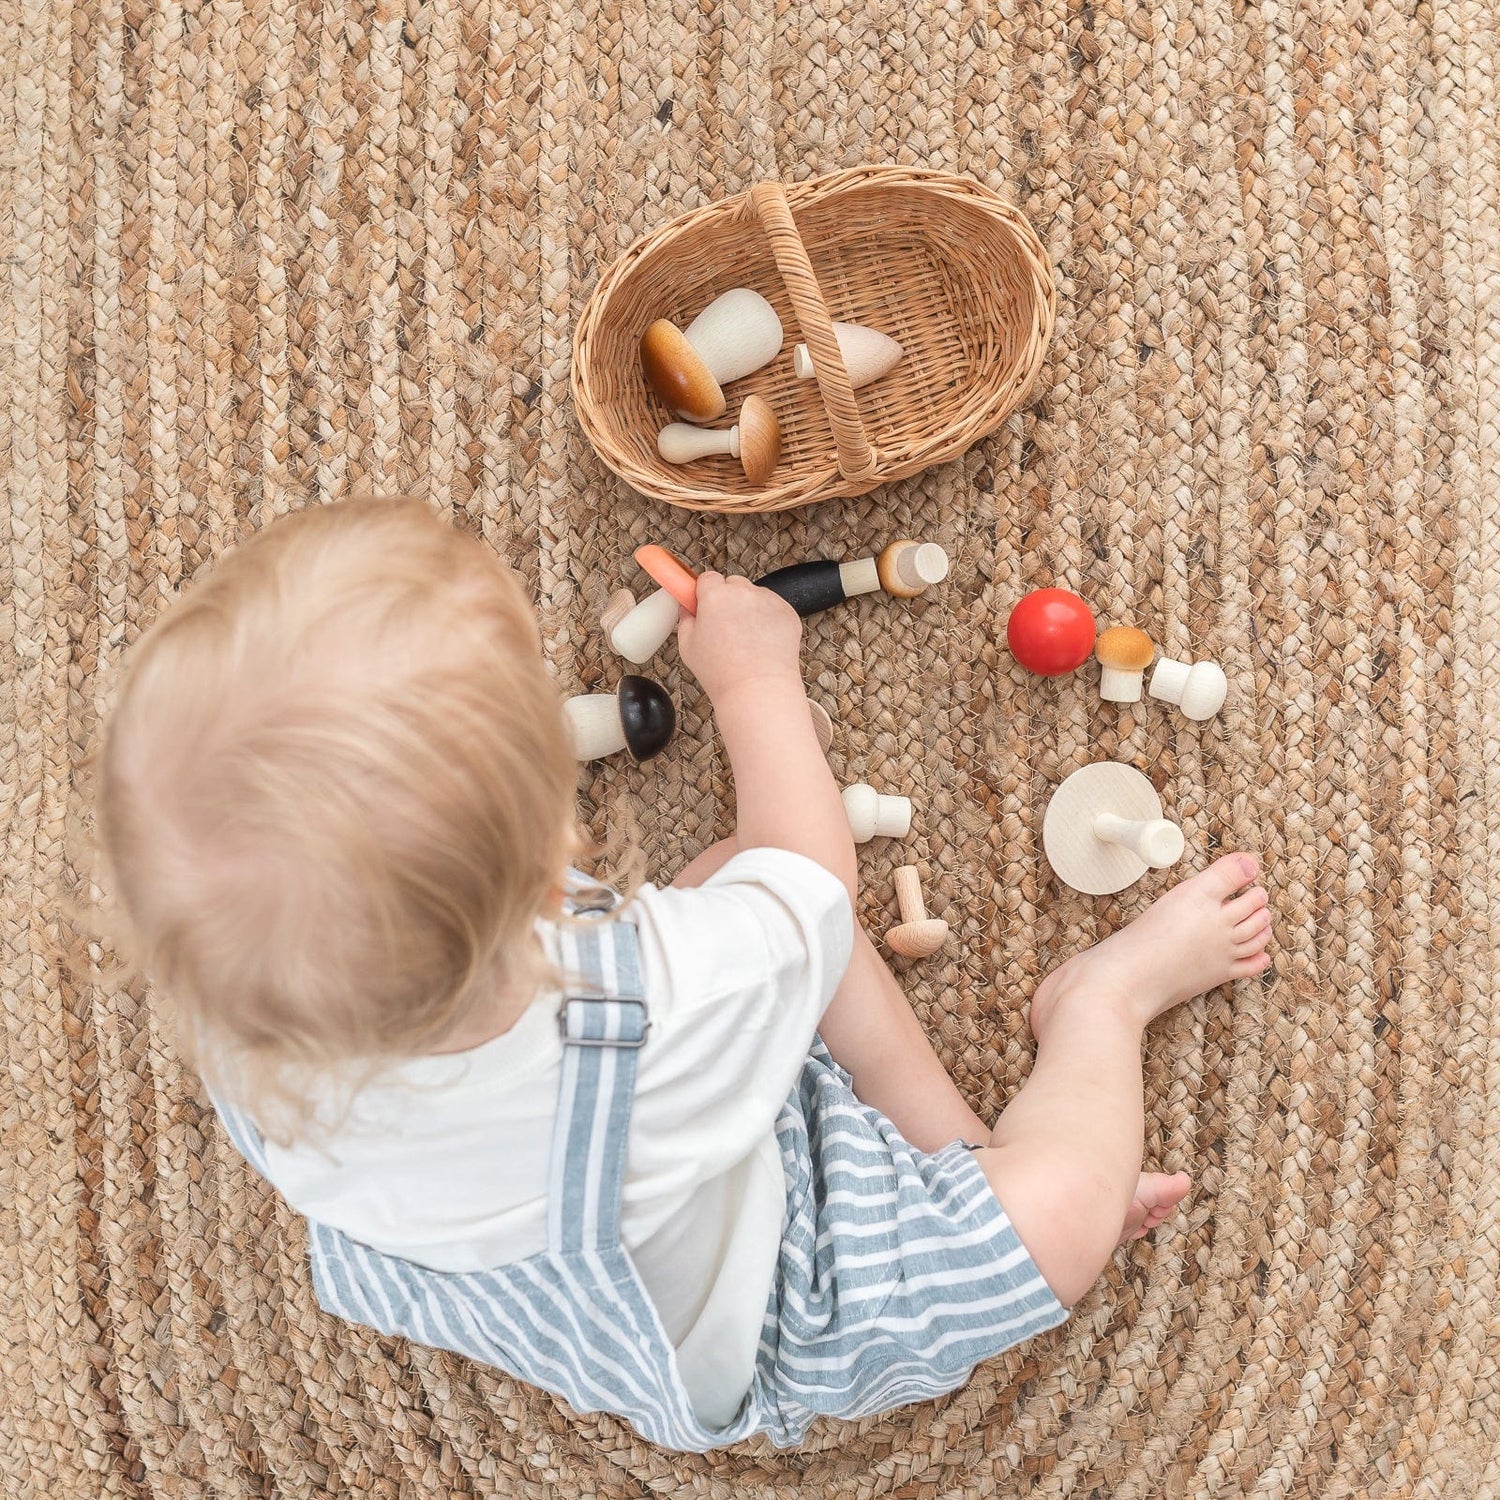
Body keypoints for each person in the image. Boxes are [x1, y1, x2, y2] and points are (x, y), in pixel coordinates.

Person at [94, 498, 1273, 1451]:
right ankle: (1093, 1017)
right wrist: (756, 679)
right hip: (767, 1305)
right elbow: (811, 873)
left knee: (744, 896)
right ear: (550, 873)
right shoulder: (654, 1003)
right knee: (1053, 1211)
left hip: (598, 1237)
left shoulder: (253, 1016)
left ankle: (961, 1156)